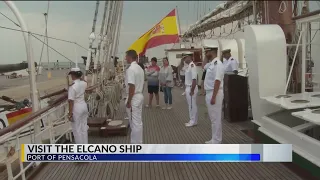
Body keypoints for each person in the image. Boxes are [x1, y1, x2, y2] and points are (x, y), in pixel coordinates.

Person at [203, 45, 225, 144]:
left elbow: (217, 81)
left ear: (211, 52)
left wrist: (213, 97)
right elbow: (204, 66)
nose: (205, 54)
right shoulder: (211, 64)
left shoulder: (218, 64)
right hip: (210, 92)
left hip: (214, 93)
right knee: (213, 118)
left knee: (216, 118)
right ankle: (214, 138)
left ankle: (217, 140)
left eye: (206, 52)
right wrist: (205, 56)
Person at [125, 50, 145, 144]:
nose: (125, 58)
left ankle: (135, 145)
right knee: (138, 122)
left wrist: (129, 100)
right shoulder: (140, 68)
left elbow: (131, 86)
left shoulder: (131, 69)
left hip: (134, 97)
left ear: (130, 57)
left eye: (126, 56)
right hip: (140, 95)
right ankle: (139, 142)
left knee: (134, 123)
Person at [68, 67, 89, 144]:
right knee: (84, 128)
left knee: (77, 130)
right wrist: (82, 79)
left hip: (76, 108)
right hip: (84, 106)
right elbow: (86, 83)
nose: (71, 76)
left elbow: (71, 101)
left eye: (71, 75)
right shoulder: (84, 83)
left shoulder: (72, 86)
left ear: (73, 75)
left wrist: (70, 114)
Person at [182, 52, 198, 127]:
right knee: (192, 105)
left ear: (189, 57)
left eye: (185, 57)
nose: (184, 59)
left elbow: (194, 79)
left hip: (191, 87)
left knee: (191, 105)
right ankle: (194, 120)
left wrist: (192, 90)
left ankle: (192, 121)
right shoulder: (188, 66)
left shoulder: (192, 66)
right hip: (189, 87)